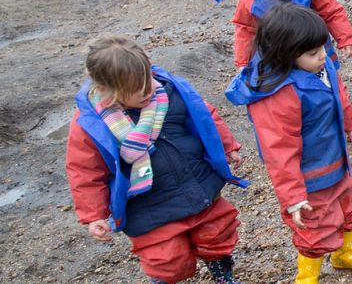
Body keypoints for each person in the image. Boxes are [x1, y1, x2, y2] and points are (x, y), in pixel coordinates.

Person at [65, 36, 247, 284]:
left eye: (147, 80)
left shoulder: (169, 90)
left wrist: (228, 147)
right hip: (149, 206)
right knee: (167, 261)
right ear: (107, 89)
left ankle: (223, 273)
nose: (147, 91)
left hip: (197, 184)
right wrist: (94, 215)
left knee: (217, 235)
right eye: (135, 90)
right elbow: (84, 172)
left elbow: (206, 117)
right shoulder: (92, 124)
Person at [225, 4, 352, 283]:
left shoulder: (321, 64)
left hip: (336, 161)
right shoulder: (278, 96)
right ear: (286, 55)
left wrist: (350, 121)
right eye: (313, 53)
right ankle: (306, 279)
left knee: (349, 207)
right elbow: (278, 152)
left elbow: (337, 90)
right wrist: (293, 196)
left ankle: (344, 253)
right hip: (310, 178)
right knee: (315, 227)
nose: (323, 56)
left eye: (323, 47)